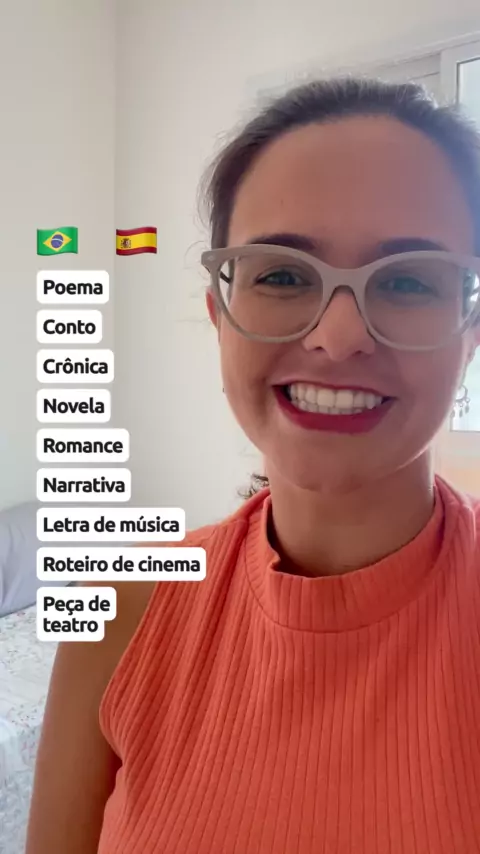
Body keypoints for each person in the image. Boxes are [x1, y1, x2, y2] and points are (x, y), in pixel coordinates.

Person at [26, 77, 480, 854]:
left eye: (407, 280)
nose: (339, 336)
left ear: (468, 336)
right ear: (220, 315)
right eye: (283, 275)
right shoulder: (119, 611)